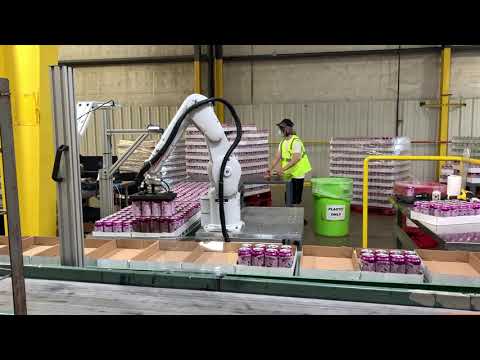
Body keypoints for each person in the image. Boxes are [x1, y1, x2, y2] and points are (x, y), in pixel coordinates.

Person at [267, 119, 312, 216]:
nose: (280, 131)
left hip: (297, 173)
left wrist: (281, 169)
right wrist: (269, 169)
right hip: (288, 173)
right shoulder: (282, 142)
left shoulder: (296, 142)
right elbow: (277, 157)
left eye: (281, 128)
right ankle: (291, 215)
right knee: (288, 195)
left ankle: (298, 217)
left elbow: (296, 158)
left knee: (296, 198)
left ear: (287, 129)